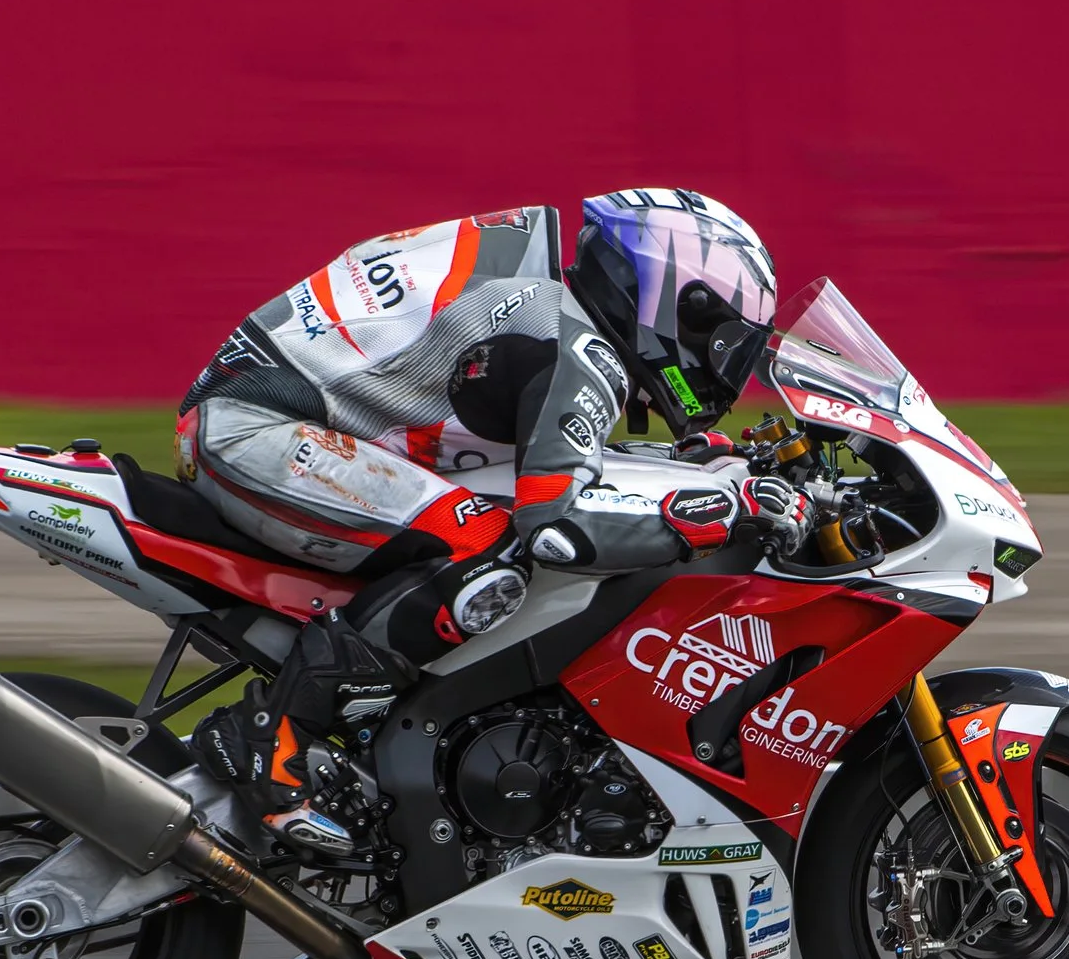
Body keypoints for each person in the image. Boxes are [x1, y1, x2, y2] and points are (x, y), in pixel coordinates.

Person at [175, 188, 810, 823]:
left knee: (489, 525)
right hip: (254, 435)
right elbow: (554, 526)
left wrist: (679, 465)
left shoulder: (552, 313)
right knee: (488, 544)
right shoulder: (574, 344)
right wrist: (719, 514)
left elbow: (547, 452)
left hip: (269, 423)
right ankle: (273, 733)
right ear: (676, 303)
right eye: (722, 342)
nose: (724, 369)